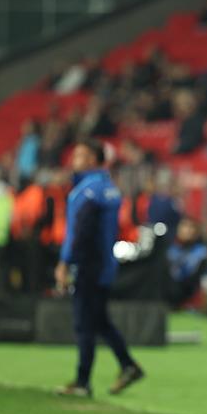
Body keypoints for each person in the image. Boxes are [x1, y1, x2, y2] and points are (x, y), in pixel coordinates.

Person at [55, 139, 145, 398]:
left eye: (80, 155)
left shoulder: (87, 192)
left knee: (85, 323)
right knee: (100, 321)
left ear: (93, 160)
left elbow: (80, 232)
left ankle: (83, 382)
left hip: (89, 264)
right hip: (105, 264)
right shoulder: (109, 189)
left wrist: (65, 262)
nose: (74, 160)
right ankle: (128, 365)